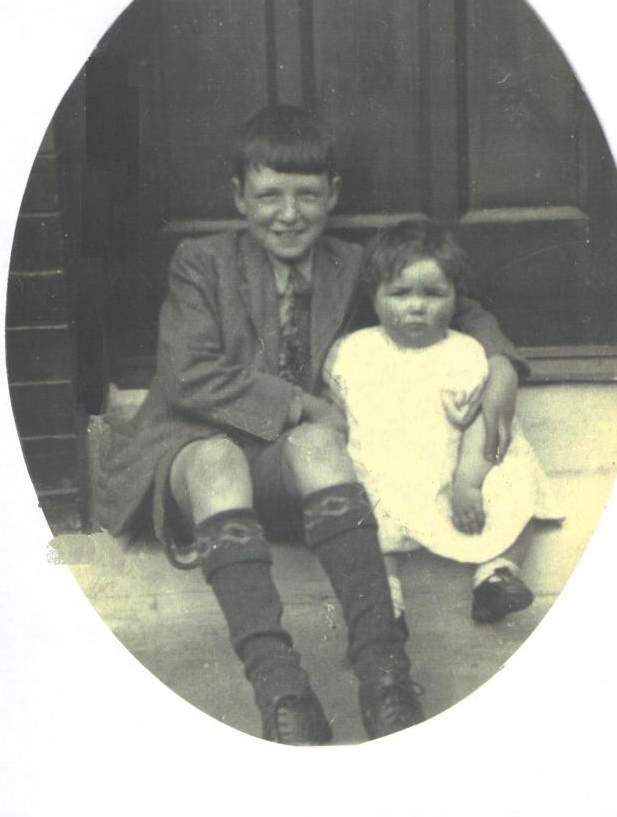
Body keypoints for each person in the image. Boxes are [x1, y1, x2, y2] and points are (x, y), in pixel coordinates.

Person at [98, 105, 527, 745]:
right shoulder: (202, 263)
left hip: (292, 471)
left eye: (306, 194)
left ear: (334, 194)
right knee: (232, 455)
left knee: (323, 444)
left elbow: (458, 306)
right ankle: (283, 693)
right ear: (239, 197)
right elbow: (188, 373)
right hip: (194, 456)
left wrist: (501, 368)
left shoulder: (352, 267)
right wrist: (303, 403)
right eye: (269, 195)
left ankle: (385, 677)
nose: (289, 213)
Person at [323, 220, 563, 629]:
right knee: (361, 505)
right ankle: (386, 599)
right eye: (400, 293)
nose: (417, 306)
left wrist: (468, 481)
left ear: (455, 297)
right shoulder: (352, 352)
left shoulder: (466, 353)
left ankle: (497, 574)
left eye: (434, 294)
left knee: (516, 477)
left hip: (454, 467)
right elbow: (335, 411)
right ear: (374, 298)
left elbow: (479, 422)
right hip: (386, 469)